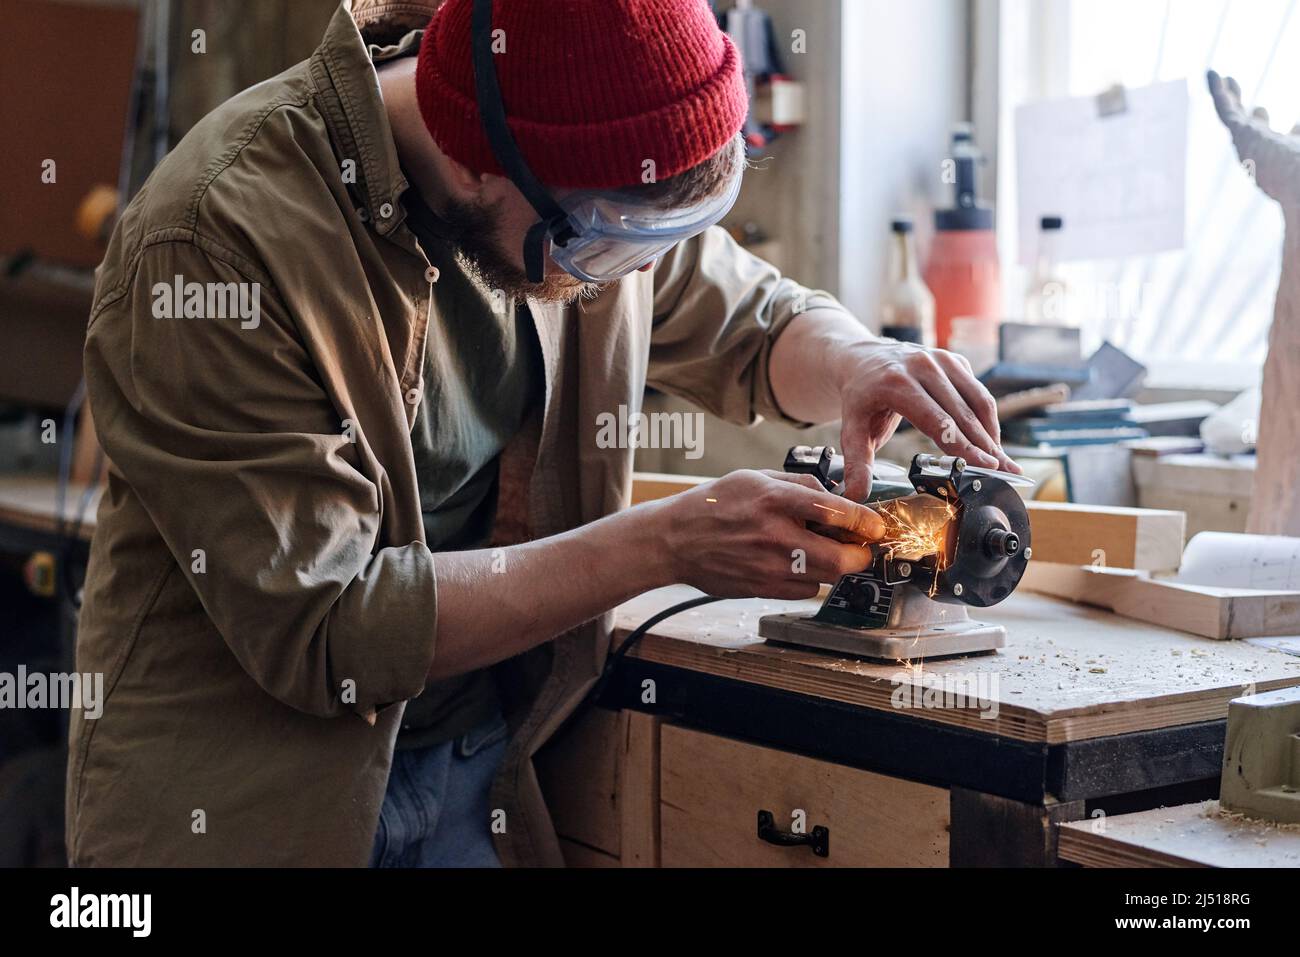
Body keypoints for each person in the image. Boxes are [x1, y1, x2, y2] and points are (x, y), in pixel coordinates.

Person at [68, 0, 1016, 867]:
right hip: (254, 808)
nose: (625, 273)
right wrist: (669, 541)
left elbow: (753, 320)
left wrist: (856, 358)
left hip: (475, 770)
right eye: (612, 238)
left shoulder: (585, 188)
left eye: (665, 235)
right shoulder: (215, 239)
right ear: (475, 157)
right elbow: (329, 629)